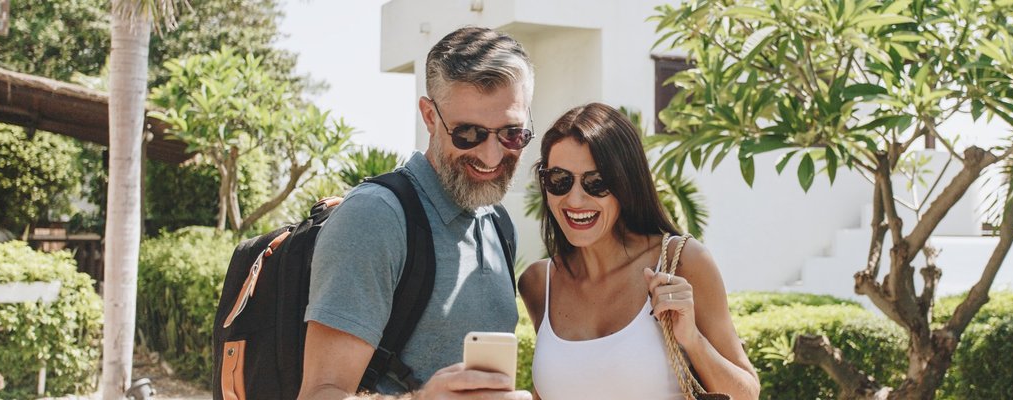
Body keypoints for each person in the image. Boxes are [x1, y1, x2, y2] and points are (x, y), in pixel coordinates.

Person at [298, 27, 534, 400]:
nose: (491, 156)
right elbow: (319, 393)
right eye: (468, 134)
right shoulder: (375, 218)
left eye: (511, 134)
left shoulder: (498, 224)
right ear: (429, 115)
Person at [518, 103, 761, 400]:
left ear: (625, 183)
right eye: (559, 180)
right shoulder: (538, 283)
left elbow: (747, 394)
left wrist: (692, 340)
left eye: (597, 183)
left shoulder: (682, 262)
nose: (576, 199)